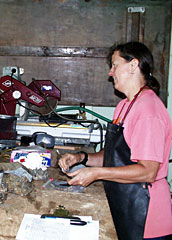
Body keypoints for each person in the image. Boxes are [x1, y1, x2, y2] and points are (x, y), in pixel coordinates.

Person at [59, 42, 172, 240]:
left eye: (114, 65)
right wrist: (80, 157)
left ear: (133, 65)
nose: (111, 73)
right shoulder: (124, 106)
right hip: (124, 204)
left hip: (146, 218)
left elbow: (148, 171)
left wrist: (96, 173)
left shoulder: (149, 110)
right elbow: (115, 156)